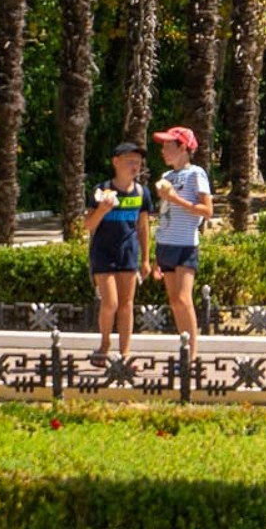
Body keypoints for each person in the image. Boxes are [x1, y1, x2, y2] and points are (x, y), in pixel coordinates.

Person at [87, 141, 156, 363]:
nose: (134, 166)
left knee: (127, 304)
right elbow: (88, 225)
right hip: (103, 253)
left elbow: (143, 226)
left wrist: (146, 259)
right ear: (116, 162)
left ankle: (125, 351)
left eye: (137, 162)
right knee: (110, 303)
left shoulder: (142, 193)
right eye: (129, 161)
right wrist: (103, 209)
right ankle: (105, 343)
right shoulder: (101, 191)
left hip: (128, 254)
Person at [150, 126, 214, 359]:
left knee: (184, 299)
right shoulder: (166, 177)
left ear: (183, 148)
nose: (163, 151)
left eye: (169, 146)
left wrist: (175, 198)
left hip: (185, 244)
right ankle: (184, 348)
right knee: (175, 301)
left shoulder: (196, 174)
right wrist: (156, 254)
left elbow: (207, 210)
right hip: (165, 244)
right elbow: (165, 214)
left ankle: (192, 354)